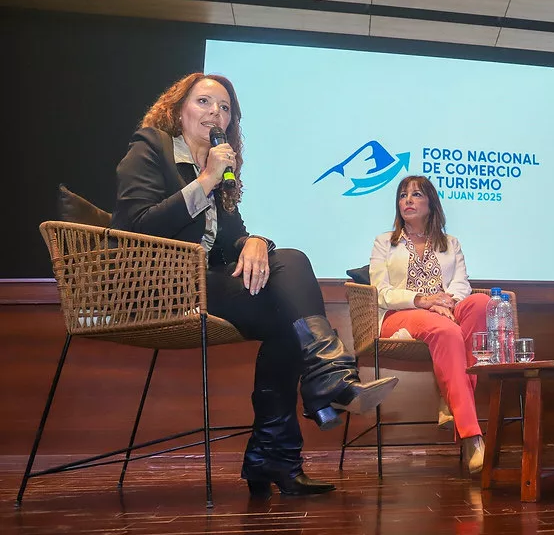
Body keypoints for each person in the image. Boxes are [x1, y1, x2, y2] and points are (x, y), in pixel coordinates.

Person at [111, 73, 399, 498]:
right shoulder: (152, 148)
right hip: (158, 285)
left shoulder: (222, 171)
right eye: (204, 102)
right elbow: (137, 226)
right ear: (178, 109)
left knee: (289, 289)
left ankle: (277, 453)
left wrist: (257, 242)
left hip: (203, 284)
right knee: (288, 297)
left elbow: (233, 239)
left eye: (225, 108)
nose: (216, 113)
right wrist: (206, 180)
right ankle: (326, 385)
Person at [369, 175, 489, 473]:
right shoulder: (385, 242)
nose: (408, 200)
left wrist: (446, 303)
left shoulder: (451, 243)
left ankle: (451, 399)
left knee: (481, 303)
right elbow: (381, 292)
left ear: (431, 203)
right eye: (403, 195)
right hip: (399, 315)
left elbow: (461, 284)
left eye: (416, 194)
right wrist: (423, 301)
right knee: (447, 330)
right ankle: (472, 435)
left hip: (445, 312)